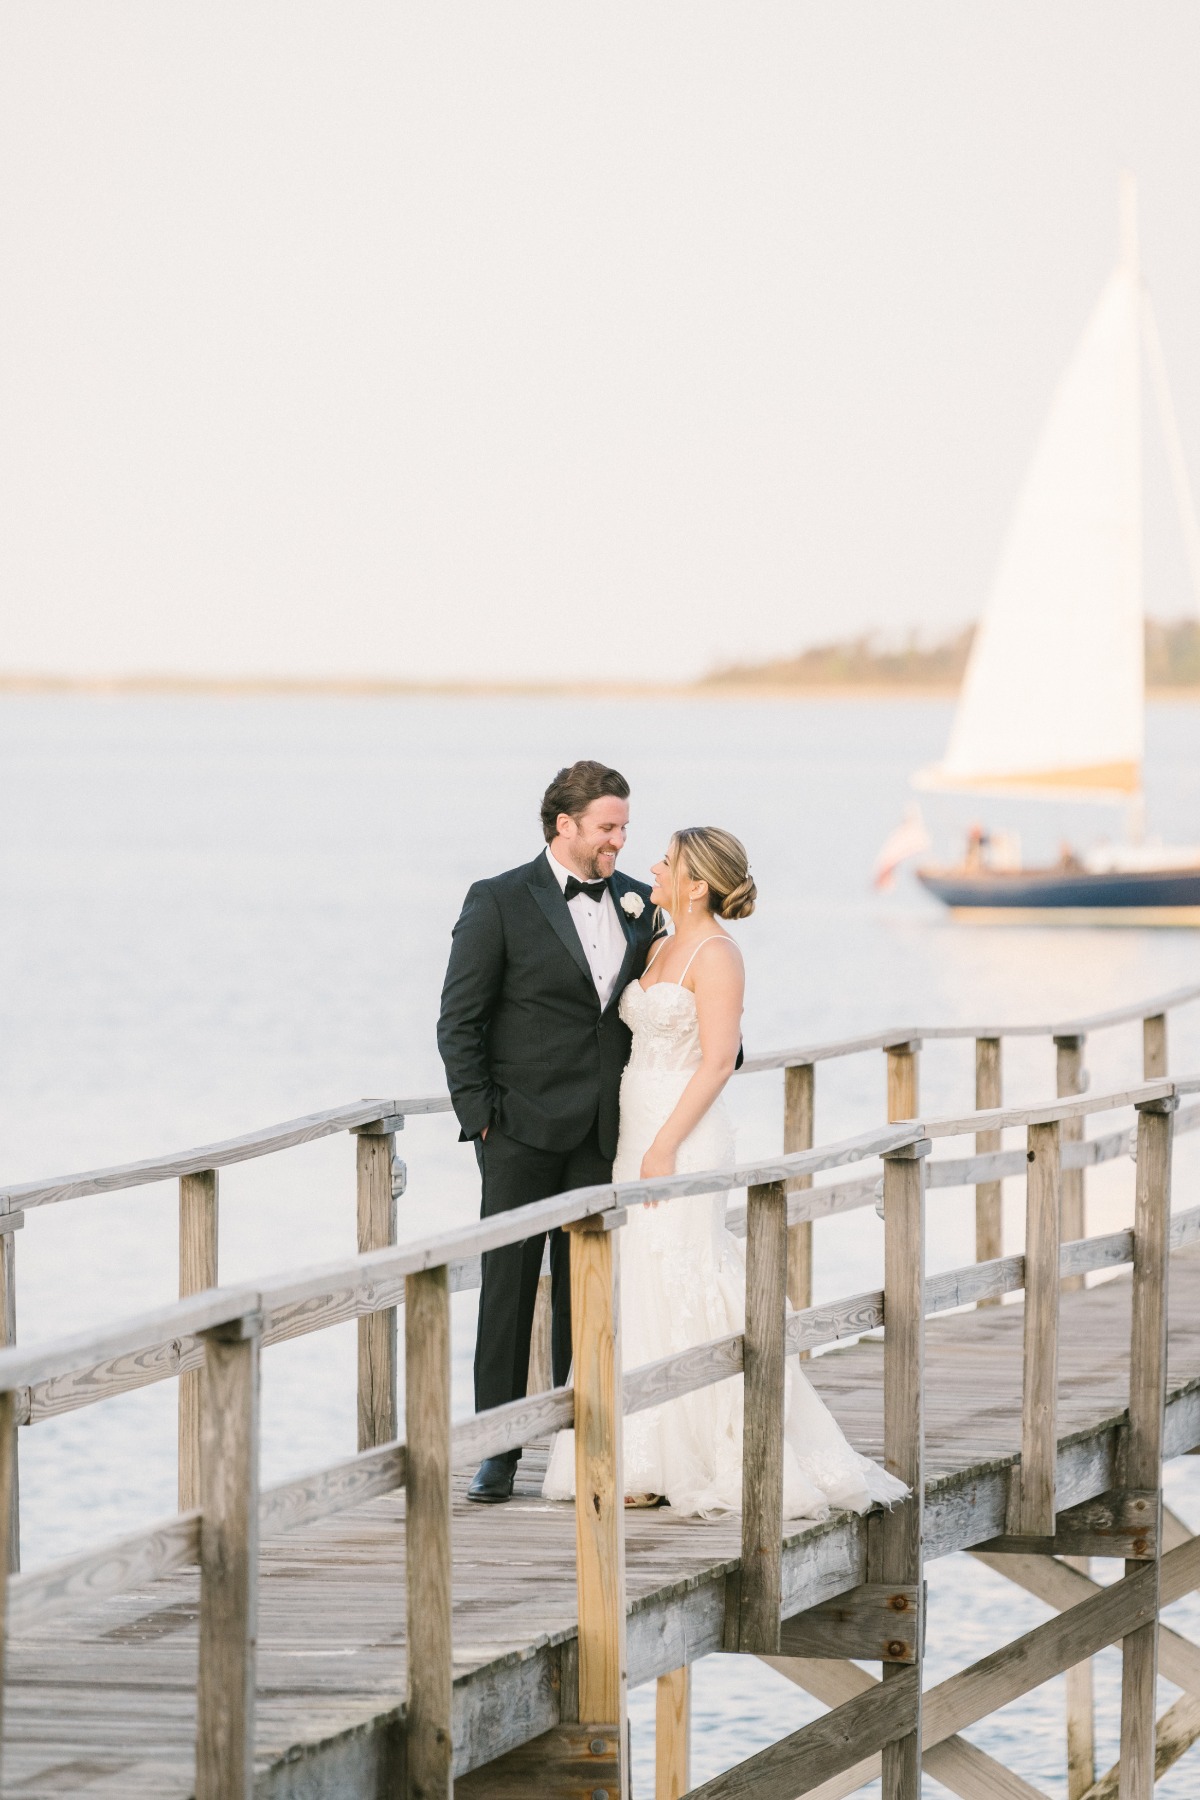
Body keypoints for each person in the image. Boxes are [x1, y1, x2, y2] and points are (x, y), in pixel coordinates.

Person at [543, 826, 907, 1519]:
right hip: (636, 1126)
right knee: (636, 1276)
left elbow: (716, 1060)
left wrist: (666, 1145)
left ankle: (712, 1451)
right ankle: (634, 1456)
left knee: (685, 1268)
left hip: (681, 1135)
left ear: (697, 883)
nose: (651, 865)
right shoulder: (654, 941)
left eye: (667, 862)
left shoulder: (718, 956)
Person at [437, 760, 657, 1503]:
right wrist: (484, 1122)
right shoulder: (498, 900)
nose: (619, 843)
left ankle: (574, 1441)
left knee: (584, 1289)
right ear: (564, 825)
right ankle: (498, 1449)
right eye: (607, 828)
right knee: (506, 1288)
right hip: (520, 1132)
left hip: (603, 1131)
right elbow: (458, 1022)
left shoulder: (639, 904)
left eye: (624, 828)